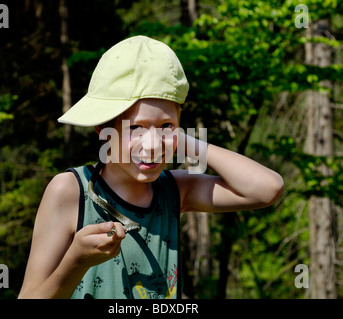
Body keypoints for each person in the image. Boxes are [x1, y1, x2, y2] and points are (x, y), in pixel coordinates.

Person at [18, 35, 284, 299]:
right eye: (135, 127)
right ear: (103, 130)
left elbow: (266, 189)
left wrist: (180, 138)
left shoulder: (176, 190)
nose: (153, 144)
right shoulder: (69, 191)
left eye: (166, 125)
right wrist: (76, 261)